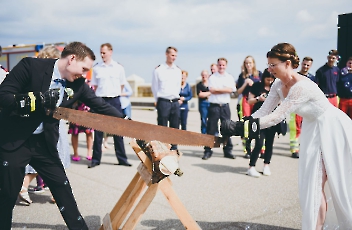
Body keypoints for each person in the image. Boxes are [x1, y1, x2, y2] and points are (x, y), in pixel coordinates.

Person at [221, 43, 352, 229]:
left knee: (327, 183)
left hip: (331, 128)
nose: (269, 69)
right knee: (313, 185)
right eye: (268, 65)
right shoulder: (277, 84)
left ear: (287, 63)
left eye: (273, 64)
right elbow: (264, 110)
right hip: (312, 128)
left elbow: (277, 116)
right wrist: (242, 124)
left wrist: (245, 128)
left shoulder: (302, 86)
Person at [0, 41, 128, 229]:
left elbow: (99, 104)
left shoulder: (77, 84)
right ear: (72, 59)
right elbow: (4, 96)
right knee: (8, 194)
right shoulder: (31, 66)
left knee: (62, 187)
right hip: (15, 140)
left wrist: (126, 121)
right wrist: (37, 99)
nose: (84, 74)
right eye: (84, 68)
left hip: (43, 143)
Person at [18, 46, 71, 205]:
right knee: (58, 157)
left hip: (34, 124)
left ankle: (24, 185)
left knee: (39, 160)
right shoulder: (53, 77)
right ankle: (57, 193)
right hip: (51, 123)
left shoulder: (34, 74)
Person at [89, 43, 131, 168]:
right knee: (98, 131)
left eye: (104, 52)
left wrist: (114, 93)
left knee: (118, 131)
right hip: (100, 100)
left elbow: (122, 85)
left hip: (114, 100)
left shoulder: (118, 68)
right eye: (101, 52)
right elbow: (94, 86)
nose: (102, 55)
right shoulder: (97, 68)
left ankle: (122, 159)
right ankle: (95, 160)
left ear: (111, 52)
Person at [202, 57, 236, 160]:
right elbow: (212, 90)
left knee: (227, 128)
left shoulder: (229, 77)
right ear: (217, 65)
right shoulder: (212, 78)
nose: (221, 67)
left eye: (223, 65)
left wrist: (219, 89)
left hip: (225, 106)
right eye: (219, 65)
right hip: (214, 106)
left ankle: (227, 150)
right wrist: (224, 89)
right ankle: (208, 151)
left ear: (226, 66)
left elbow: (231, 90)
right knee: (211, 129)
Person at [246, 69, 276, 177]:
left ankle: (266, 165)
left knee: (269, 144)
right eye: (268, 79)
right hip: (259, 119)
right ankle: (251, 167)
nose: (270, 81)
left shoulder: (276, 87)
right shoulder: (256, 86)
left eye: (272, 79)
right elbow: (249, 101)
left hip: (272, 118)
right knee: (259, 143)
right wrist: (259, 99)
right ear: (263, 78)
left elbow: (282, 100)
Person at [151, 46, 182, 150]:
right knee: (162, 127)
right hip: (163, 101)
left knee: (175, 127)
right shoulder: (159, 70)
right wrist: (157, 100)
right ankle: (162, 149)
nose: (174, 58)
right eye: (172, 55)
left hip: (175, 102)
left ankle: (174, 149)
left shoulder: (178, 70)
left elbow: (178, 86)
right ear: (166, 54)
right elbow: (155, 87)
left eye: (175, 56)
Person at [289, 56, 315, 158]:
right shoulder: (295, 76)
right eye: (304, 64)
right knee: (295, 128)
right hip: (296, 106)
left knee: (307, 127)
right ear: (301, 64)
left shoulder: (312, 77)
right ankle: (294, 149)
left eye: (308, 65)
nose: (305, 66)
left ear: (310, 66)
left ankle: (305, 148)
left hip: (308, 106)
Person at [236, 56, 262, 158]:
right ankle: (247, 150)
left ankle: (260, 149)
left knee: (258, 124)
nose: (248, 65)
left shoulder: (259, 74)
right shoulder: (242, 76)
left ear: (253, 63)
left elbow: (263, 87)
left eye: (250, 63)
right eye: (246, 63)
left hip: (256, 100)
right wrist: (245, 83)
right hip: (245, 101)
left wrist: (254, 84)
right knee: (246, 125)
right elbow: (238, 91)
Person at [196, 70, 211, 134]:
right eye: (203, 75)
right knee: (204, 120)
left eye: (205, 75)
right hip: (203, 104)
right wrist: (210, 93)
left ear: (208, 75)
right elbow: (200, 95)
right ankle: (204, 135)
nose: (204, 76)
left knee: (211, 120)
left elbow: (215, 92)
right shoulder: (199, 85)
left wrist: (205, 93)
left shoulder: (211, 84)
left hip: (211, 103)